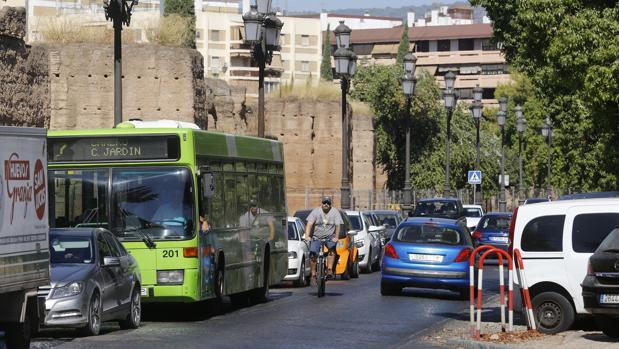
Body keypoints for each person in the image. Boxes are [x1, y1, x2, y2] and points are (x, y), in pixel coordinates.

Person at [304, 196, 343, 285]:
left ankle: (329, 270)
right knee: (313, 253)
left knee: (332, 250)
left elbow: (337, 225)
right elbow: (309, 224)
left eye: (328, 203)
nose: (326, 204)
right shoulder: (316, 212)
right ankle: (313, 275)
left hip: (329, 237)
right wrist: (307, 236)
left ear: (330, 205)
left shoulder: (335, 212)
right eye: (324, 203)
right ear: (321, 204)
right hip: (316, 237)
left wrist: (336, 237)